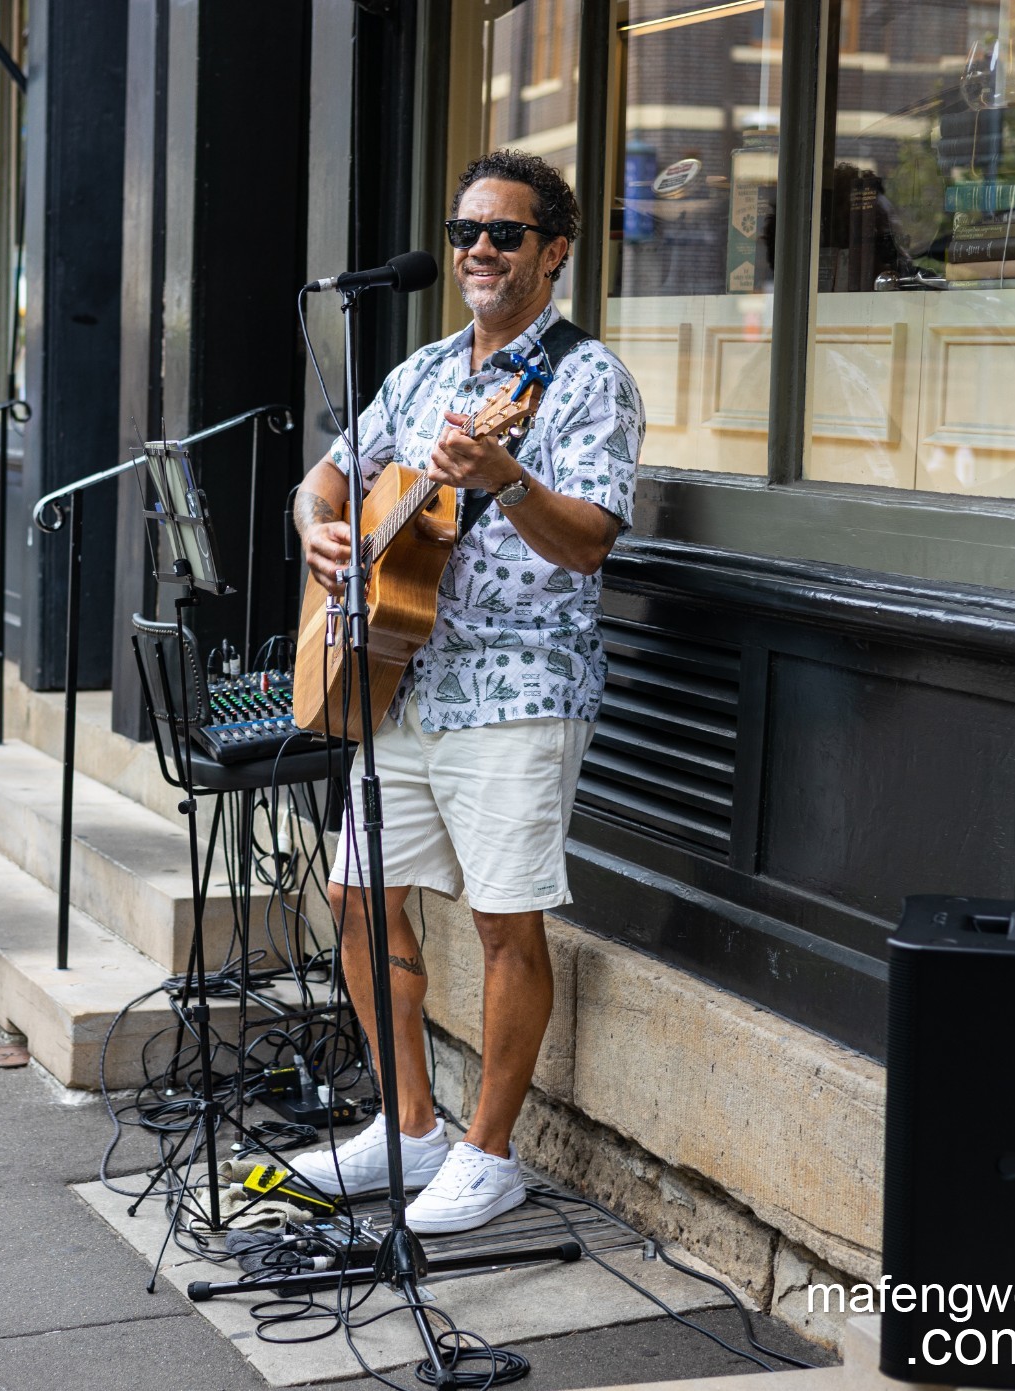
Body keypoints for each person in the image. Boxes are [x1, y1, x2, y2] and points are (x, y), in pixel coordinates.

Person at [288, 150, 645, 1234]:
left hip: (517, 688)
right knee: (356, 896)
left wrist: (506, 478)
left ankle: (489, 1153)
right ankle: (407, 1127)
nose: (478, 250)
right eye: (463, 233)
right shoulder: (423, 368)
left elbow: (585, 543)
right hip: (399, 677)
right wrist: (317, 529)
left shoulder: (586, 380)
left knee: (503, 925)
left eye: (503, 232)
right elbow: (329, 474)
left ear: (553, 249)